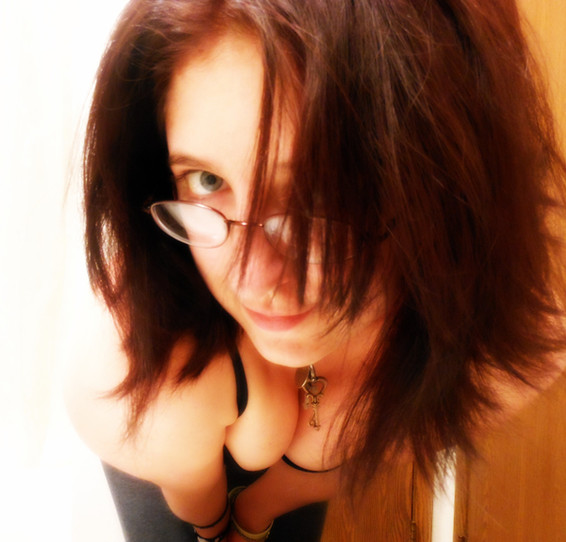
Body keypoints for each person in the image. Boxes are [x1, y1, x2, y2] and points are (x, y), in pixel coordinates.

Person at [66, 0, 566, 541]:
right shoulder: (135, 365)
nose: (255, 282)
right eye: (207, 180)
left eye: (319, 192)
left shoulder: (509, 329)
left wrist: (263, 507)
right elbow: (192, 504)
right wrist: (217, 528)